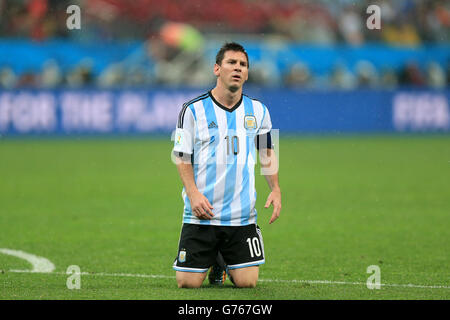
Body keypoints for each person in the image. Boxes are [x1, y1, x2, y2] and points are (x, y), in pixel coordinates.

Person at [172, 42, 281, 288]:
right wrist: (193, 193)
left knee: (247, 283)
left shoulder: (260, 111)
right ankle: (212, 259)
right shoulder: (192, 110)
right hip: (201, 213)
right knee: (187, 283)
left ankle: (221, 261)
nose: (237, 68)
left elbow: (267, 151)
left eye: (243, 64)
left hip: (241, 217)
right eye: (231, 63)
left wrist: (275, 188)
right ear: (216, 69)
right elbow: (181, 155)